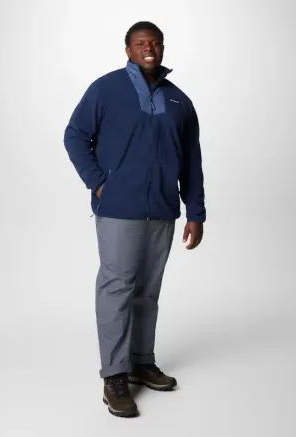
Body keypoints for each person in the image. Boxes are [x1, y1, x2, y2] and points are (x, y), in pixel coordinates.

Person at [63, 21, 206, 418]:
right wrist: (98, 182)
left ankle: (141, 362)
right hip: (118, 209)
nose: (149, 48)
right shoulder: (106, 89)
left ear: (163, 49)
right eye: (141, 43)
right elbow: (75, 135)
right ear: (127, 49)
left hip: (162, 209)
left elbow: (191, 160)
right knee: (117, 288)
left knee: (147, 291)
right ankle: (114, 375)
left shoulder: (179, 101)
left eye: (155, 43)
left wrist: (195, 212)